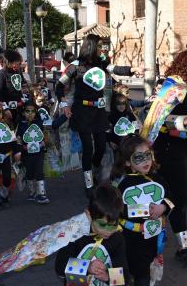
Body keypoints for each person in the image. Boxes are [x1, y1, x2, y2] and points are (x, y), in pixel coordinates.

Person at [140, 49, 187, 268]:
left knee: (169, 198)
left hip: (174, 152)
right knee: (177, 200)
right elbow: (158, 119)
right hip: (168, 153)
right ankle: (183, 248)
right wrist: (184, 118)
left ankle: (163, 239)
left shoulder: (181, 87)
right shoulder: (176, 87)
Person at [55, 34, 141, 194]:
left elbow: (115, 69)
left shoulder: (102, 63)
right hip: (82, 112)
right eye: (100, 46)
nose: (103, 49)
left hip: (99, 113)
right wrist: (64, 104)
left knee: (101, 147)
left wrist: (132, 70)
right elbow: (59, 85)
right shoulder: (76, 65)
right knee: (88, 148)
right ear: (91, 47)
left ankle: (93, 169)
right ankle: (89, 184)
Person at [111, 135, 173, 286]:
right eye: (139, 157)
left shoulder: (157, 178)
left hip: (154, 236)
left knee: (148, 268)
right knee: (135, 270)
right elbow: (117, 209)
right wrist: (144, 210)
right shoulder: (122, 185)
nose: (146, 160)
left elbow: (170, 197)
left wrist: (163, 206)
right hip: (131, 237)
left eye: (148, 155)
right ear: (127, 162)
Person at [55, 185, 129, 286]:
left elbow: (124, 276)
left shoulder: (117, 238)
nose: (108, 231)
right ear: (89, 215)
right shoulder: (75, 234)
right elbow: (60, 266)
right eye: (103, 224)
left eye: (114, 225)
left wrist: (108, 277)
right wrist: (87, 267)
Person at [16, 101, 50, 204]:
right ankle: (32, 192)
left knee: (39, 172)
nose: (30, 114)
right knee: (29, 173)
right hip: (27, 154)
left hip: (39, 152)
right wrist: (22, 148)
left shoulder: (39, 123)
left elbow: (45, 136)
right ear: (23, 113)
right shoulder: (21, 125)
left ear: (36, 112)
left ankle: (42, 194)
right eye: (27, 111)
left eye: (32, 111)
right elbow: (17, 139)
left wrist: (43, 143)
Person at [0, 49, 26, 125]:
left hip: (19, 107)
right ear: (10, 62)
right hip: (6, 110)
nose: (20, 63)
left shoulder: (18, 71)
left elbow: (22, 85)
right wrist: (6, 109)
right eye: (17, 61)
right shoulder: (1, 74)